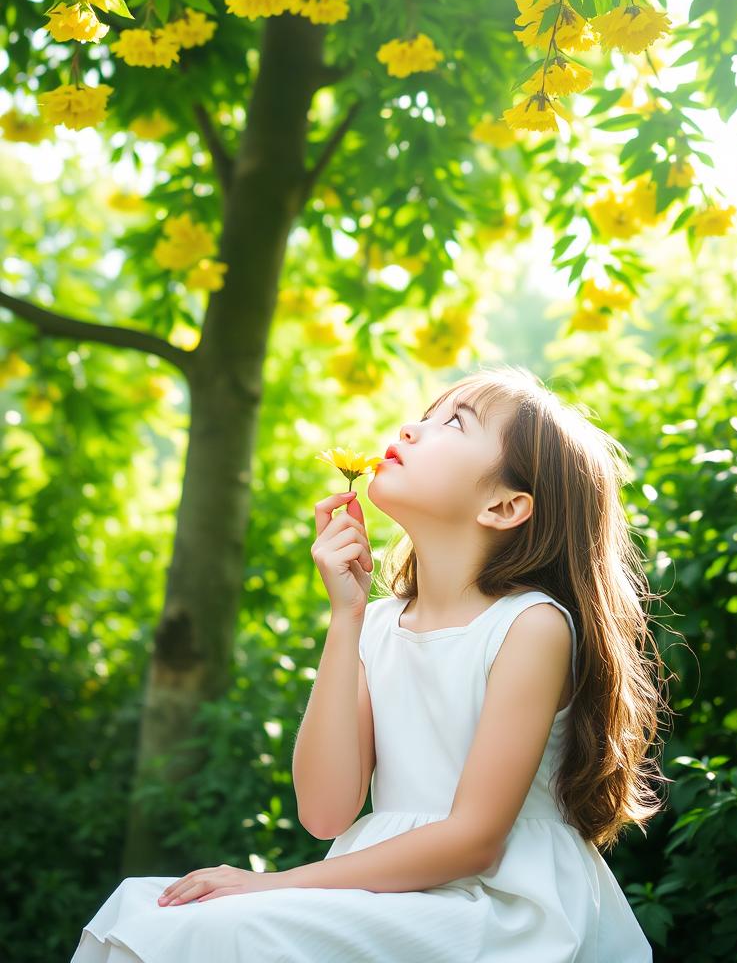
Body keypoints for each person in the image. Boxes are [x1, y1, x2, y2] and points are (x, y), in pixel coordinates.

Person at [71, 363, 665, 961]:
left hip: (498, 902)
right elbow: (326, 812)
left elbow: (473, 842)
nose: (410, 430)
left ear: (505, 506)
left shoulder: (529, 626)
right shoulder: (378, 624)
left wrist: (271, 884)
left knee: (224, 929)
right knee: (147, 912)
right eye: (426, 416)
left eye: (453, 424)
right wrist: (346, 618)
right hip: (387, 885)